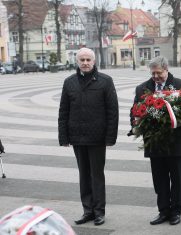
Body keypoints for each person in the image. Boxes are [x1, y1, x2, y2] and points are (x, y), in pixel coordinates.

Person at [58, 47, 119, 226]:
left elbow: (112, 111)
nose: (85, 63)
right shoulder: (69, 82)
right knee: (84, 175)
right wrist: (64, 137)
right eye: (82, 60)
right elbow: (63, 111)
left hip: (97, 137)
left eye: (88, 60)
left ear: (94, 61)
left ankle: (99, 211)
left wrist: (110, 137)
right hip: (77, 137)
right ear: (77, 62)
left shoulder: (105, 81)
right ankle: (88, 211)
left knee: (96, 175)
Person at [129, 56, 181, 226]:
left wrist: (171, 124)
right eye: (153, 73)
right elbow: (135, 111)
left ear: (167, 69)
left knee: (177, 179)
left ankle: (176, 211)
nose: (156, 77)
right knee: (159, 179)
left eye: (159, 73)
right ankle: (163, 210)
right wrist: (137, 123)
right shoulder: (142, 88)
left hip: (175, 142)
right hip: (154, 143)